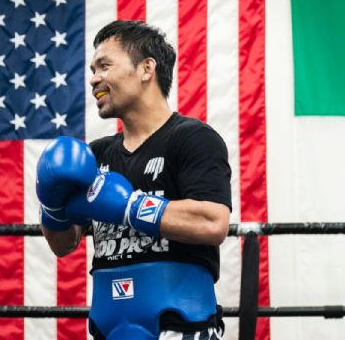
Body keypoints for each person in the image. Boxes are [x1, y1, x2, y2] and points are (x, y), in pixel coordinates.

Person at [37, 20, 231, 340]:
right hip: (109, 327)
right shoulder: (96, 155)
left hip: (180, 325)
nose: (94, 79)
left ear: (146, 69)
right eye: (92, 69)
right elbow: (62, 244)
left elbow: (212, 223)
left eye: (104, 66)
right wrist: (51, 205)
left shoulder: (193, 138)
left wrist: (129, 205)